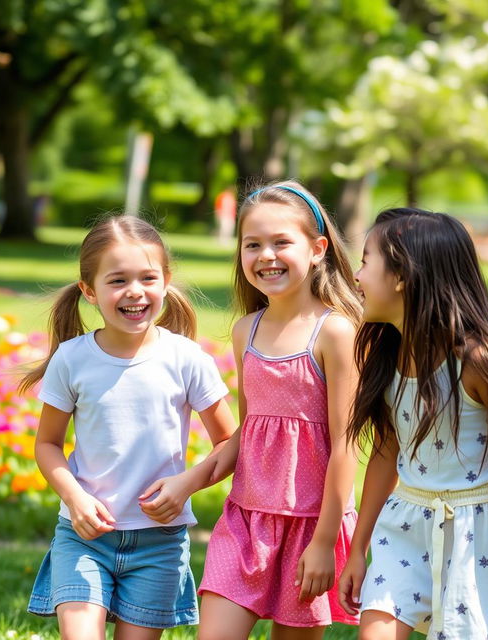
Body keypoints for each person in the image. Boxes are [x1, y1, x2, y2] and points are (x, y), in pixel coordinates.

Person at [339, 208, 488, 640]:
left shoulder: (477, 363)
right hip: (405, 523)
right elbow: (387, 451)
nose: (357, 276)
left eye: (366, 261)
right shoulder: (385, 356)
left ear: (402, 276)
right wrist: (358, 549)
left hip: (480, 531)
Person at [20, 215, 237, 640]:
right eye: (117, 280)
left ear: (166, 281)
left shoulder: (187, 359)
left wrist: (186, 485)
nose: (134, 291)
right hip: (84, 537)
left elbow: (230, 441)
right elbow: (47, 443)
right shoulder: (72, 359)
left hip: (159, 544)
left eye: (147, 278)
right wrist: (75, 498)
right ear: (89, 291)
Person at [198, 180, 363, 640]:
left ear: (317, 249)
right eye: (253, 244)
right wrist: (189, 482)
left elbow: (346, 443)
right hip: (245, 521)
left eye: (280, 243)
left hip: (310, 525)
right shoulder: (245, 330)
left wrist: (326, 541)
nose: (265, 255)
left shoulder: (335, 332)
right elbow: (249, 430)